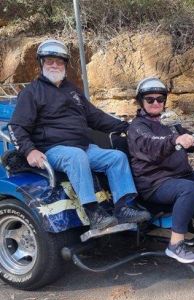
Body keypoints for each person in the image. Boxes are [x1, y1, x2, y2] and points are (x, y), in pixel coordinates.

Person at [8, 38, 150, 231]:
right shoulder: (31, 92)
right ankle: (94, 213)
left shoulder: (72, 90)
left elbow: (96, 117)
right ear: (41, 63)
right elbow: (16, 126)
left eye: (60, 61)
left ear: (65, 64)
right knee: (76, 156)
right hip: (53, 149)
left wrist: (127, 127)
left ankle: (123, 208)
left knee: (116, 157)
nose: (55, 65)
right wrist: (29, 151)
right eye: (50, 61)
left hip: (83, 147)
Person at [127, 77, 194, 263]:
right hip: (154, 184)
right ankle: (175, 245)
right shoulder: (137, 127)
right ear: (141, 101)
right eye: (150, 99)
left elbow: (193, 140)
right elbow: (152, 145)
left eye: (160, 99)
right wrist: (175, 140)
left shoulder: (169, 123)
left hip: (177, 176)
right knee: (189, 189)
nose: (156, 103)